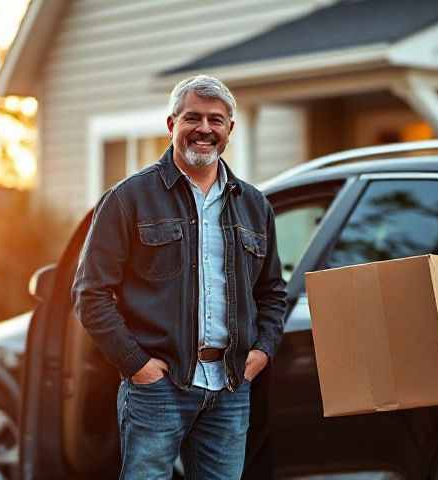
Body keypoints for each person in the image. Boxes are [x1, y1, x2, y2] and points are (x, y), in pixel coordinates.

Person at [72, 74, 286, 479]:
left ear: (229, 131)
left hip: (230, 387)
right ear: (172, 125)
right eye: (193, 118)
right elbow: (90, 293)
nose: (204, 129)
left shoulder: (255, 206)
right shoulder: (128, 199)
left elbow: (273, 292)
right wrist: (137, 365)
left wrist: (262, 353)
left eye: (216, 120)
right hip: (158, 388)